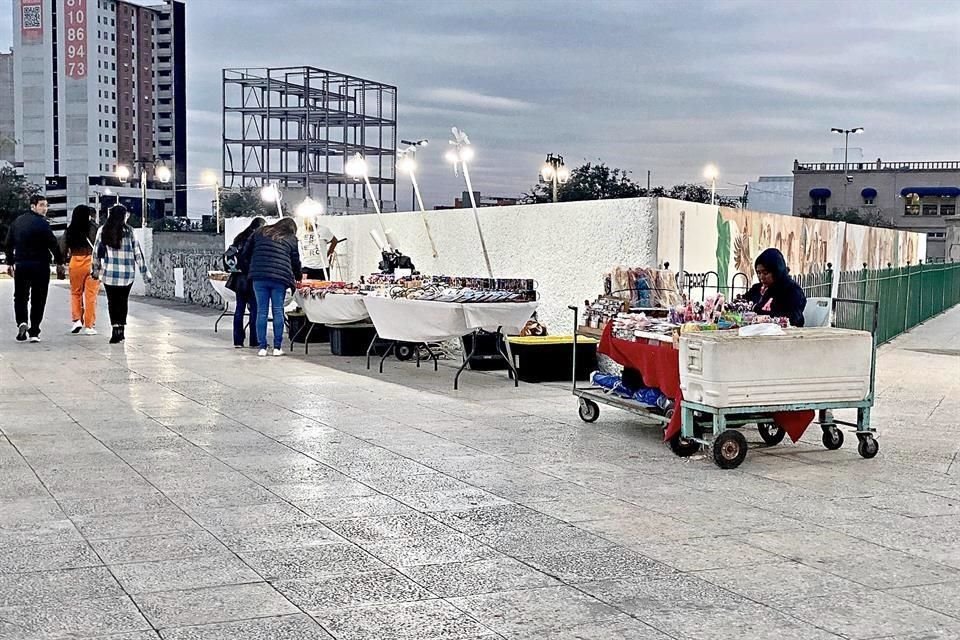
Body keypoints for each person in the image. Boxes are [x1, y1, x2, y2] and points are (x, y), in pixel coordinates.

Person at [4, 194, 65, 342]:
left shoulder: (17, 222)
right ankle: (34, 331)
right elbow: (53, 244)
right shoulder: (43, 224)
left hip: (22, 265)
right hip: (41, 266)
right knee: (39, 298)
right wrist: (60, 262)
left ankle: (22, 322)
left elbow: (8, 244)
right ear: (33, 206)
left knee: (20, 296)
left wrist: (10, 262)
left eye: (46, 205)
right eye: (42, 205)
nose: (45, 208)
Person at [91, 204, 152, 344]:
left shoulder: (103, 230)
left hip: (109, 274)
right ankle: (122, 330)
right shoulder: (129, 231)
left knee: (112, 302)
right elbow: (138, 254)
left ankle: (115, 329)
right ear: (123, 216)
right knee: (122, 301)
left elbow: (96, 252)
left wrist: (95, 269)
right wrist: (145, 274)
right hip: (126, 275)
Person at [241, 218, 301, 357]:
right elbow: (295, 260)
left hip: (259, 276)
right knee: (278, 310)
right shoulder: (291, 238)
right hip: (279, 278)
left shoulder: (260, 232)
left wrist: (252, 267)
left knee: (261, 311)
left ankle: (262, 347)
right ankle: (277, 348)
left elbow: (245, 252)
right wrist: (298, 276)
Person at [59, 205, 100, 335]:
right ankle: (89, 325)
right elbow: (100, 244)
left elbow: (62, 247)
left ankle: (77, 320)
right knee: (91, 295)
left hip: (75, 262)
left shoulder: (70, 229)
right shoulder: (93, 228)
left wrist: (61, 262)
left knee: (75, 293)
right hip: (91, 262)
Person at [226, 216, 265, 348]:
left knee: (239, 310)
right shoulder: (256, 239)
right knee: (255, 310)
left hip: (238, 280)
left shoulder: (239, 237)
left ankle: (238, 341)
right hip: (252, 278)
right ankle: (254, 340)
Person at [743, 247, 807, 327]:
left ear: (777, 271)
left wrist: (763, 317)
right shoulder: (756, 289)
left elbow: (793, 318)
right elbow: (744, 303)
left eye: (765, 273)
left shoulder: (792, 290)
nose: (761, 277)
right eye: (758, 273)